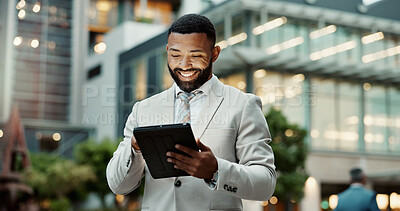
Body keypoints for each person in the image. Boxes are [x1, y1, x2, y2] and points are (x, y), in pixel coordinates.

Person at [106, 13, 276, 211]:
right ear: (167, 51)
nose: (184, 65)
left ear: (214, 54)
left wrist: (215, 170)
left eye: (196, 55)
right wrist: (134, 149)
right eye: (176, 55)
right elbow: (117, 185)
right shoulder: (143, 109)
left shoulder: (243, 104)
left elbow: (266, 184)